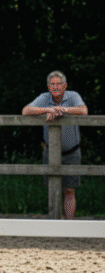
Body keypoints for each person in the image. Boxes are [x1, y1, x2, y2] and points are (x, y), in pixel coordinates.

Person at [21, 71, 88, 220]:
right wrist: (48, 109)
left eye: (59, 84)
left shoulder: (73, 96)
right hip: (51, 151)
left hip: (72, 152)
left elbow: (83, 110)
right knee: (53, 189)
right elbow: (25, 110)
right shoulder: (44, 98)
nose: (55, 87)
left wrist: (62, 110)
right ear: (48, 86)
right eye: (52, 84)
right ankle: (55, 225)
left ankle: (69, 225)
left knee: (69, 190)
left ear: (65, 86)